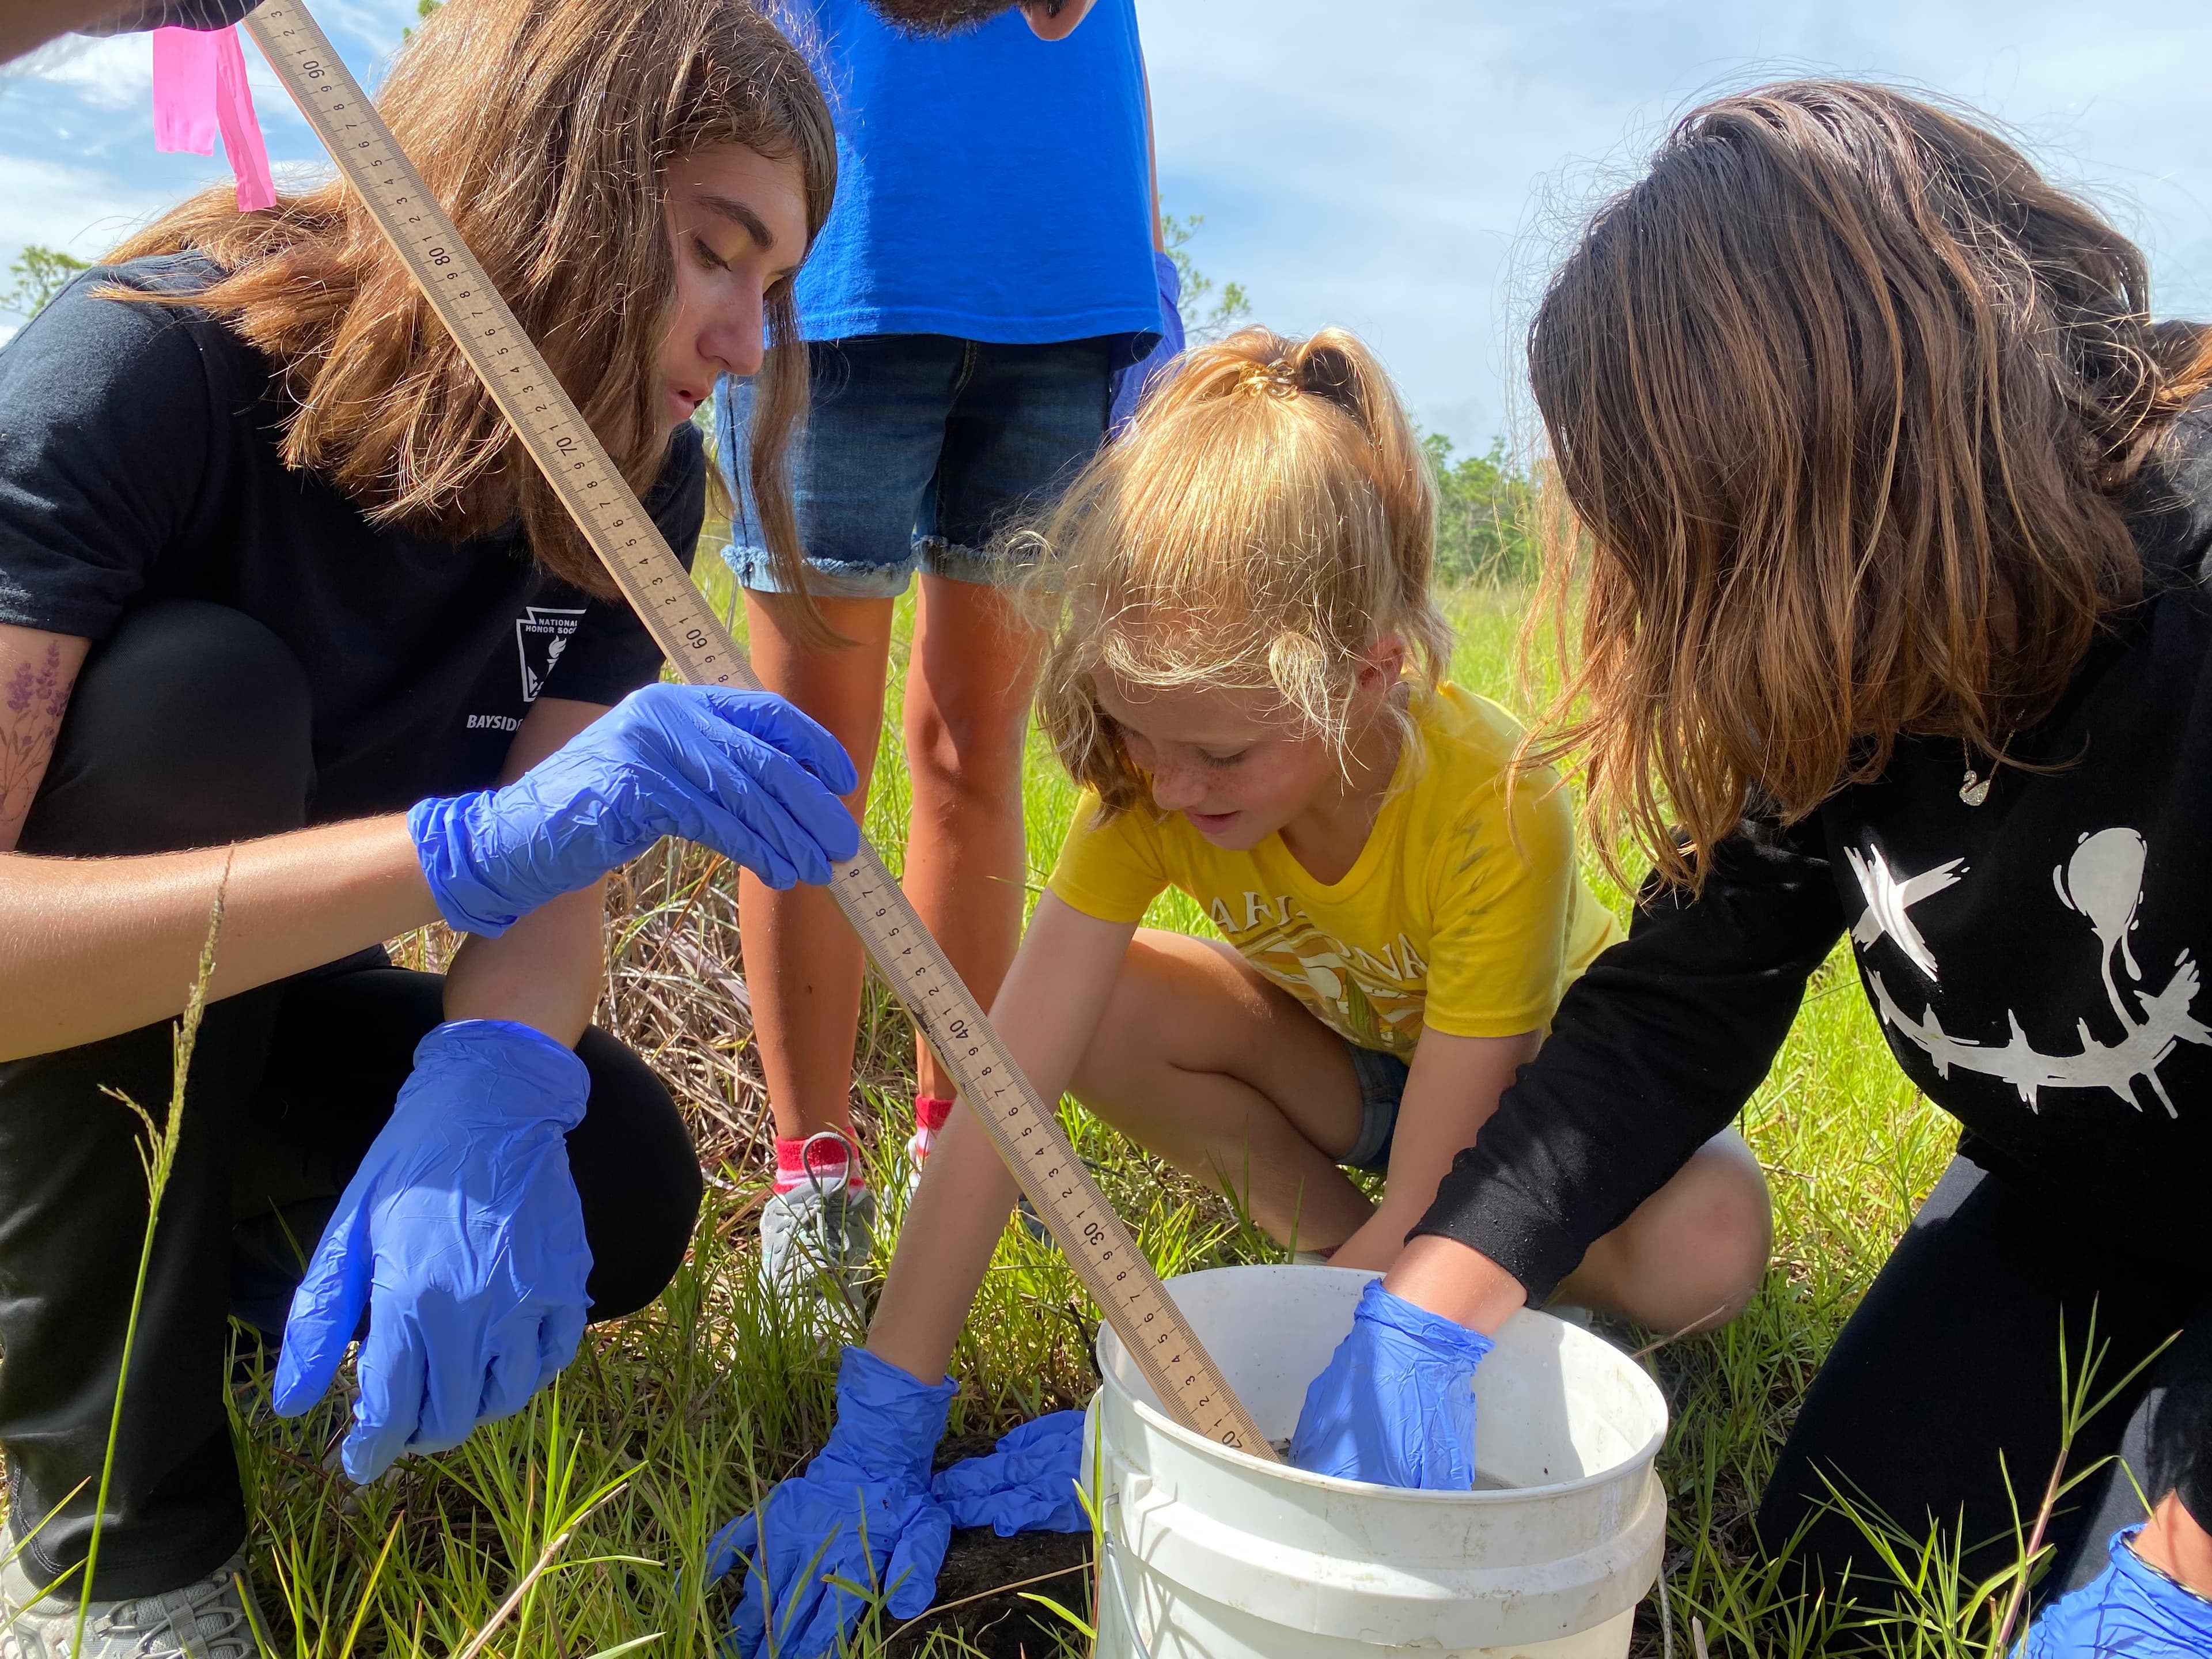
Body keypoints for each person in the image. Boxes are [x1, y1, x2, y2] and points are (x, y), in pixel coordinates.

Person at [1291, 82, 2212, 1649]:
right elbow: (1671, 1012)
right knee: (1841, 1593)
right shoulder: (1845, 647)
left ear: (1845, 478)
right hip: (2092, 1190)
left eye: (1708, 552)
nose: (1687, 620)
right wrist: (1429, 1301)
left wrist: (2185, 1563)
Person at [702, 328, 1777, 1659]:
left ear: (1369, 676)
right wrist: (888, 1410)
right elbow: (1001, 1091)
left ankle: (1422, 1315)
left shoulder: (1492, 805)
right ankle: (1332, 1269)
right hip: (1337, 1074)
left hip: (1519, 1128)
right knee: (1075, 1003)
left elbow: (1453, 1185)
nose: (1172, 785)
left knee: (1712, 1242)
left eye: (1218, 751)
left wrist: (1219, 1403)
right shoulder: (1155, 773)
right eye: (1140, 739)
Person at [0, 2, 856, 1653]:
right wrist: (453, 850)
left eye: (778, 282)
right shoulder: (151, 374)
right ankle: (105, 1546)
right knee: (204, 697)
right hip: (48, 1022)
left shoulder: (627, 481)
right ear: (551, 188)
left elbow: (547, 897)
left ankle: (197, 1305)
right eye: (712, 252)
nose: (751, 341)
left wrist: (492, 1084)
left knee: (609, 1168)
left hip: (225, 1009)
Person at [711, 0, 1171, 1304]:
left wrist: (1146, 261)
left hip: (1071, 272)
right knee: (807, 769)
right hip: (840, 245)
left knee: (979, 744)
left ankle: (963, 1147)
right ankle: (815, 1177)